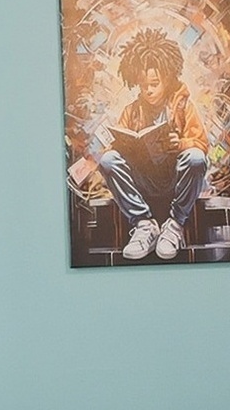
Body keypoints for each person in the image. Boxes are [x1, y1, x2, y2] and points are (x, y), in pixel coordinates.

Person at [88, 29, 209, 262]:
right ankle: (144, 225)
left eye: (154, 83)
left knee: (195, 157)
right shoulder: (131, 111)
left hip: (174, 181)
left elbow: (201, 144)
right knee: (108, 160)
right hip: (144, 182)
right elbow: (112, 154)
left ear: (169, 77)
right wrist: (121, 146)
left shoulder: (183, 106)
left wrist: (180, 143)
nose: (149, 90)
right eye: (143, 85)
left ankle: (174, 226)